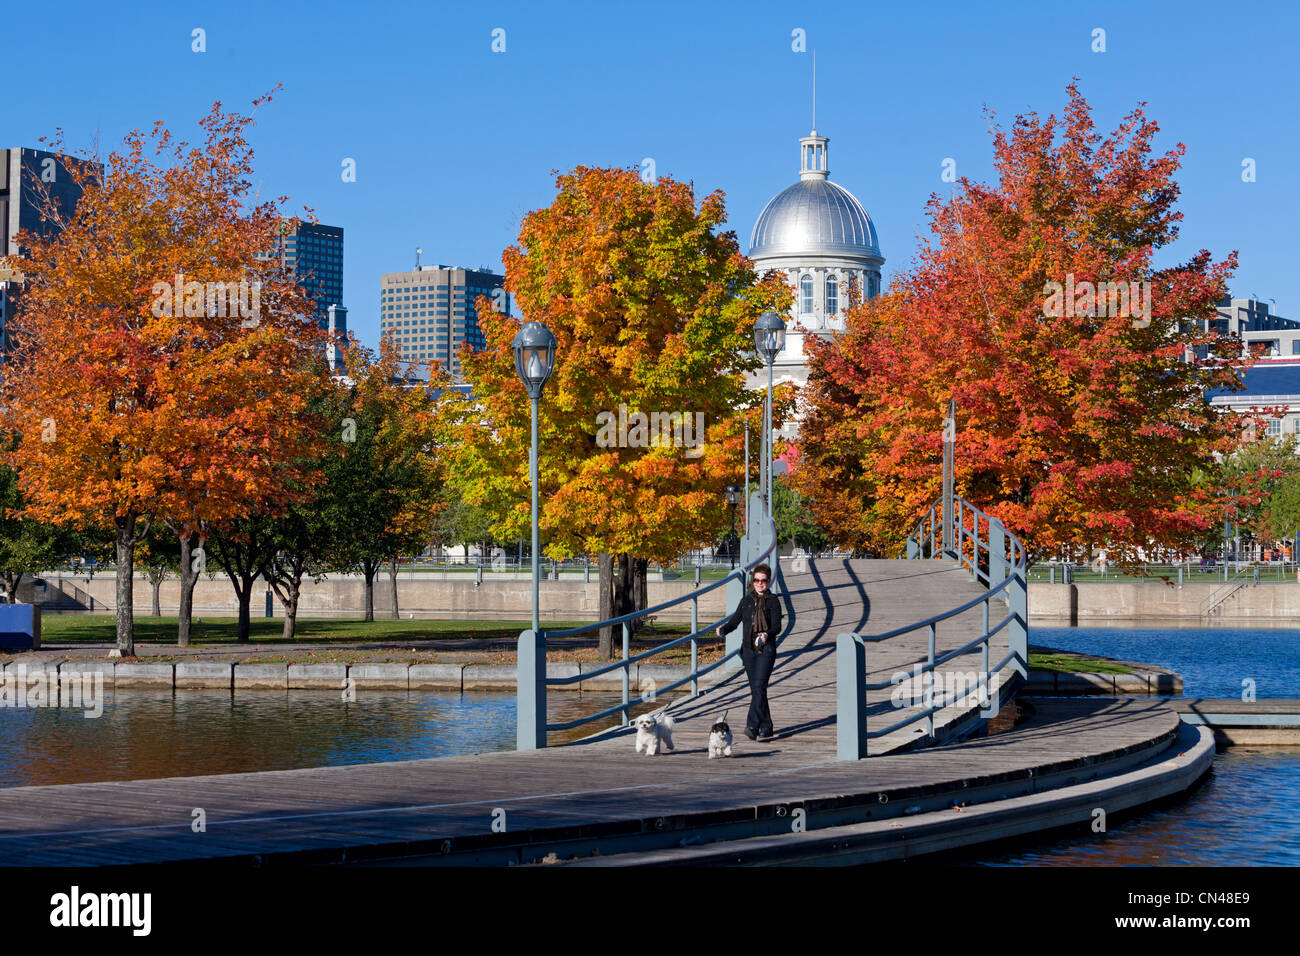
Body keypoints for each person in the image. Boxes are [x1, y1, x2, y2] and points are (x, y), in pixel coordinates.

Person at [716, 563, 782, 740]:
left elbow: (777, 626)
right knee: (757, 690)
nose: (760, 584)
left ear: (769, 581)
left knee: (759, 687)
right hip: (748, 651)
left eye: (763, 581)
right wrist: (724, 629)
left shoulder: (773, 601)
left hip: (766, 650)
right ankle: (767, 726)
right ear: (752, 581)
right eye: (757, 580)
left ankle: (752, 726)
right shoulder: (746, 601)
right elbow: (735, 621)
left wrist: (767, 634)